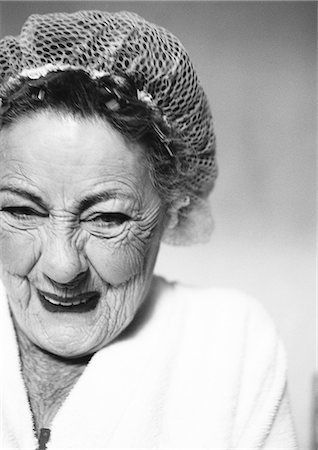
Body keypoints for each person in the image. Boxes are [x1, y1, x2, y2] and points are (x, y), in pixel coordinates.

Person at [0, 10, 297, 450]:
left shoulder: (228, 345)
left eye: (108, 219)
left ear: (173, 210)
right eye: (23, 211)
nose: (62, 267)